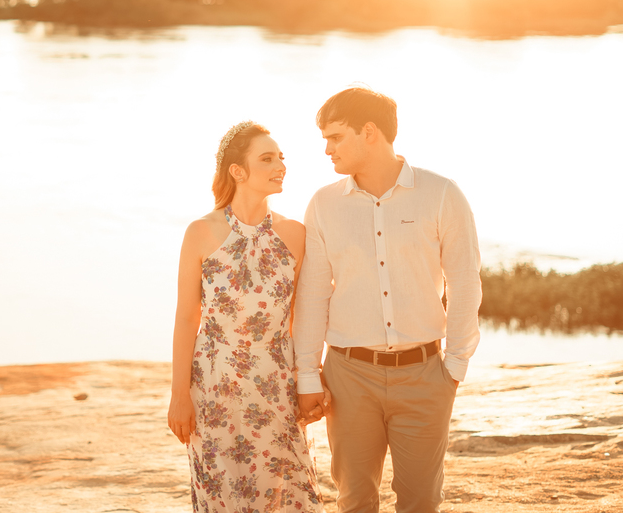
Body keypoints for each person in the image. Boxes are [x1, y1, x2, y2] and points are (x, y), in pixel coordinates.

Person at [294, 88, 482, 513]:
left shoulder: (441, 194)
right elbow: (313, 294)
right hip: (348, 377)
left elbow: (465, 282)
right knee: (354, 501)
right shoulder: (323, 204)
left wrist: (454, 366)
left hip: (425, 376)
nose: (327, 149)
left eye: (336, 137)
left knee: (421, 502)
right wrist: (307, 374)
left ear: (369, 132)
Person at [168, 121, 323, 512]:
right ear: (237, 171)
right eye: (267, 159)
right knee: (221, 493)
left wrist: (309, 379)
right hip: (213, 386)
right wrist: (179, 395)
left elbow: (301, 316)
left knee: (288, 494)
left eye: (281, 158)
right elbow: (187, 318)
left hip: (276, 383)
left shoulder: (295, 234)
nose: (280, 166)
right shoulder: (200, 232)